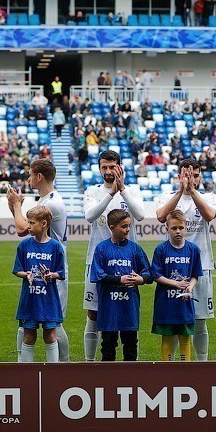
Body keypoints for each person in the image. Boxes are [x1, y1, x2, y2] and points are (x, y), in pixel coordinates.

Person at [82, 150, 145, 361]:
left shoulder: (132, 191)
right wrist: (111, 193)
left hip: (127, 262)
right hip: (98, 262)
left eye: (112, 167)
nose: (108, 172)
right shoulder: (93, 191)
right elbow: (90, 216)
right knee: (93, 313)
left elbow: (140, 215)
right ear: (99, 168)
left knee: (126, 314)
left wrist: (122, 189)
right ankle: (90, 363)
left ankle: (128, 362)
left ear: (120, 167)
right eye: (104, 167)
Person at [8, 158, 70, 361]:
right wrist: (15, 209)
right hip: (39, 267)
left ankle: (64, 362)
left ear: (39, 176)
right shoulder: (45, 201)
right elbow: (25, 227)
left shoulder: (52, 203)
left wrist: (17, 206)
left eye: (30, 174)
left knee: (54, 322)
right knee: (29, 320)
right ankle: (23, 360)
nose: (28, 178)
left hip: (52, 268)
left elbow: (21, 230)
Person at [156, 158, 216, 360]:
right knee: (173, 321)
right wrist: (181, 191)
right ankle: (171, 366)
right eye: (186, 175)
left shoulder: (207, 196)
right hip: (173, 270)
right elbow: (161, 215)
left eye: (196, 175)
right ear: (179, 175)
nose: (191, 178)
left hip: (201, 267)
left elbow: (209, 215)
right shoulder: (169, 196)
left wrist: (192, 191)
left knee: (200, 321)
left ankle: (202, 364)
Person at [89, 209, 151, 361]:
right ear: (112, 228)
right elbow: (97, 275)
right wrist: (120, 280)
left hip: (129, 308)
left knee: (130, 345)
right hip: (109, 308)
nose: (128, 229)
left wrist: (140, 279)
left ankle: (130, 381)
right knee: (108, 346)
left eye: (129, 226)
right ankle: (107, 381)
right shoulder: (102, 248)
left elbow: (149, 274)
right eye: (124, 226)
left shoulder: (135, 249)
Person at [13, 206, 66, 363]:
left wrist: (51, 275)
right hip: (30, 299)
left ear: (44, 224)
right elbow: (17, 270)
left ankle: (52, 372)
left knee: (50, 335)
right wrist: (27, 274)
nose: (28, 226)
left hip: (49, 299)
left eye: (32, 223)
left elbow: (60, 273)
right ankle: (27, 373)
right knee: (28, 335)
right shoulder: (24, 245)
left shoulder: (56, 246)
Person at [151, 209, 202, 361]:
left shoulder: (193, 249)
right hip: (166, 303)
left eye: (181, 227)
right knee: (167, 337)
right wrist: (176, 283)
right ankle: (167, 368)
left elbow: (195, 275)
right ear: (167, 229)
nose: (178, 231)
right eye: (174, 228)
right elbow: (155, 275)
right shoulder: (161, 249)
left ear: (186, 227)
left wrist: (190, 287)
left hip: (184, 304)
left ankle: (184, 370)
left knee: (185, 337)